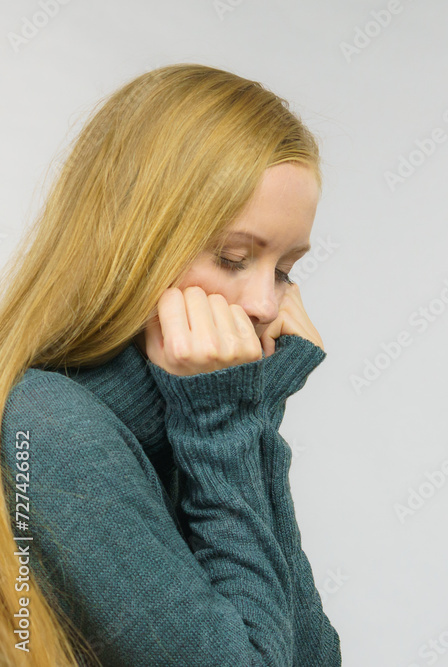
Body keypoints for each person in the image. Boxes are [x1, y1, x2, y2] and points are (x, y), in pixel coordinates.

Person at [0, 63, 342, 666]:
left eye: (285, 270)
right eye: (234, 258)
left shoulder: (185, 422)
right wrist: (226, 426)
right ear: (131, 245)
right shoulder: (48, 425)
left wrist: (252, 417)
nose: (267, 306)